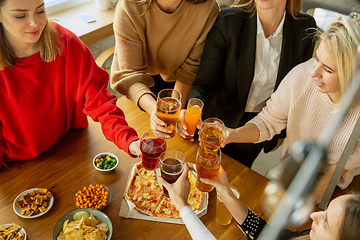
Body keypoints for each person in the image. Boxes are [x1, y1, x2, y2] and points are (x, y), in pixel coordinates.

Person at [221, 14, 360, 203]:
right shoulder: (302, 77)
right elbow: (269, 121)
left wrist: (323, 185)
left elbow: (351, 156)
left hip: (343, 178)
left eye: (327, 69)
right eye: (316, 58)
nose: (314, 72)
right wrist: (233, 134)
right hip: (296, 165)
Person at [0, 0, 141, 168]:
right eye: (20, 15)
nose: (35, 23)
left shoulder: (64, 41)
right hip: (17, 164)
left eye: (40, 11)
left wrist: (129, 141)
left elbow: (100, 101)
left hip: (70, 145)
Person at [177, 0, 317, 168]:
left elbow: (298, 89)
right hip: (214, 123)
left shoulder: (305, 27)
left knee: (238, 179)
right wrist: (195, 110)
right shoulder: (228, 20)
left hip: (259, 127)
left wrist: (282, 131)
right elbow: (204, 83)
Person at [160, 163, 360, 240]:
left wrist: (183, 206)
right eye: (325, 210)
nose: (313, 215)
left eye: (325, 222)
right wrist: (227, 193)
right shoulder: (309, 236)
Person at [110, 0, 219, 138]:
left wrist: (173, 113)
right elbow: (130, 76)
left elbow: (188, 71)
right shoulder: (128, 7)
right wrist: (155, 111)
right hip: (142, 88)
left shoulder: (207, 8)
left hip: (181, 86)